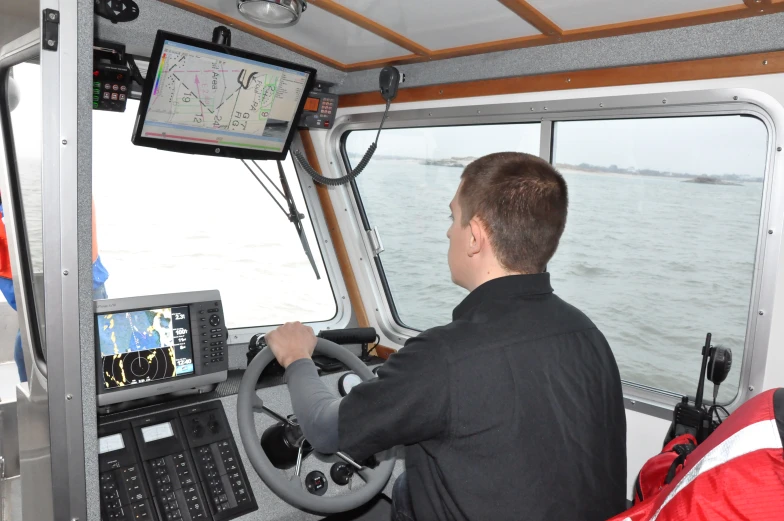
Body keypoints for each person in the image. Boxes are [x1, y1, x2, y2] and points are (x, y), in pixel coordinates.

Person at [266, 152, 627, 521]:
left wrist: (296, 358)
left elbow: (325, 431)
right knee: (406, 488)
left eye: (453, 217)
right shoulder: (588, 334)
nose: (448, 231)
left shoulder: (445, 356)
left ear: (474, 237)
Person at [1, 199, 109, 383]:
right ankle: (36, 401)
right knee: (28, 347)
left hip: (81, 271)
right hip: (25, 279)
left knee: (99, 341)